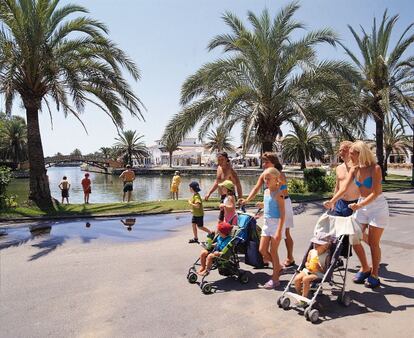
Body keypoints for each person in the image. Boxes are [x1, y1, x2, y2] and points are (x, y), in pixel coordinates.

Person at [324, 140, 389, 288]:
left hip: (377, 208)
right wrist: (332, 201)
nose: (349, 156)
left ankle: (374, 274)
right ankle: (365, 267)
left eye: (352, 154)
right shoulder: (354, 169)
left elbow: (376, 192)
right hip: (362, 206)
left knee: (373, 243)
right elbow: (343, 188)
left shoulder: (375, 168)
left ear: (361, 154)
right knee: (354, 238)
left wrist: (359, 205)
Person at [239, 152, 295, 268]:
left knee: (285, 233)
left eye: (266, 162)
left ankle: (290, 257)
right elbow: (256, 187)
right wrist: (247, 200)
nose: (264, 164)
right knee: (269, 232)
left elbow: (282, 185)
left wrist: (277, 177)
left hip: (284, 202)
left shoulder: (279, 174)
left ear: (273, 162)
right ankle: (267, 258)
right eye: (263, 162)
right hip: (271, 202)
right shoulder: (264, 174)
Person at [256, 167, 286, 289]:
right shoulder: (266, 192)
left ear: (275, 179)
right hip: (266, 223)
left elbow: (283, 213)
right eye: (265, 179)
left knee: (273, 251)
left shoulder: (279, 194)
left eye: (268, 179)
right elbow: (270, 205)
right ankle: (277, 267)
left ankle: (275, 279)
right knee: (262, 250)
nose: (266, 181)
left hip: (276, 224)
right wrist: (262, 206)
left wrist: (278, 231)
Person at [294, 232, 331, 304]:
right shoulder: (311, 251)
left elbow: (326, 270)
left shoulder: (326, 255)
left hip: (318, 273)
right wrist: (307, 265)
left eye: (319, 244)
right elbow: (307, 262)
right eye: (315, 243)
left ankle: (303, 299)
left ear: (326, 246)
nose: (315, 245)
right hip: (308, 270)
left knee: (305, 279)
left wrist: (319, 268)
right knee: (297, 279)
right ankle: (300, 295)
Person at [205, 152, 243, 221]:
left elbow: (238, 184)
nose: (220, 162)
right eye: (218, 160)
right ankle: (223, 230)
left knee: (224, 219)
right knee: (224, 218)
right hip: (222, 196)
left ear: (226, 159)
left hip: (229, 196)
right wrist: (209, 193)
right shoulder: (219, 168)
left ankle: (222, 230)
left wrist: (240, 198)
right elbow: (217, 182)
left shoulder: (231, 170)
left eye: (222, 159)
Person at [332, 141, 360, 217]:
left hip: (354, 204)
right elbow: (337, 187)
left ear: (351, 151)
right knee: (338, 227)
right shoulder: (339, 168)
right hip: (340, 204)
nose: (341, 153)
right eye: (340, 150)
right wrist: (333, 202)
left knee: (352, 229)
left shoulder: (358, 168)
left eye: (344, 150)